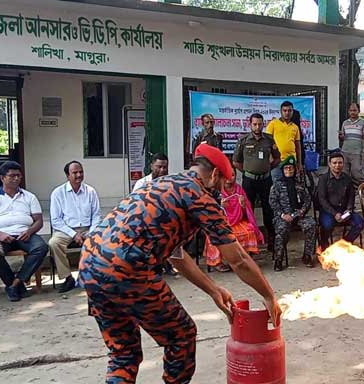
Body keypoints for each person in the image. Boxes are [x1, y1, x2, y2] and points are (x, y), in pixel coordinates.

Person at [79, 144, 281, 384]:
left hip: (91, 263)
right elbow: (238, 259)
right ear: (215, 174)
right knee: (182, 336)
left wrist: (214, 290)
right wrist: (269, 296)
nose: (221, 191)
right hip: (128, 267)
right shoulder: (201, 196)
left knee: (123, 353)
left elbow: (176, 256)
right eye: (222, 184)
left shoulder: (163, 184)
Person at [0, 161, 48, 302]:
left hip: (25, 235)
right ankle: (14, 283)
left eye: (18, 176)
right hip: (0, 236)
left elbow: (38, 221)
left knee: (42, 247)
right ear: (2, 178)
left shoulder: (29, 197)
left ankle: (16, 283)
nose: (16, 178)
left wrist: (30, 231)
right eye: (12, 176)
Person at [49, 161, 101, 293]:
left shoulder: (90, 191)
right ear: (67, 175)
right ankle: (67, 278)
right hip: (65, 230)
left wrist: (91, 232)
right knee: (54, 243)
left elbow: (96, 215)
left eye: (81, 172)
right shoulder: (58, 193)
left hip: (87, 228)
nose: (79, 175)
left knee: (100, 240)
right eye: (75, 173)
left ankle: (91, 276)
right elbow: (55, 220)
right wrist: (73, 234)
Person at [233, 113, 281, 254]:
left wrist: (267, 168)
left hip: (266, 180)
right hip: (249, 181)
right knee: (248, 212)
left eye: (260, 124)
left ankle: (272, 241)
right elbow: (236, 161)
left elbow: (277, 158)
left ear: (263, 124)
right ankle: (250, 244)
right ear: (250, 124)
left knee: (269, 210)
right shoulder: (243, 140)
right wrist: (248, 171)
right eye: (255, 124)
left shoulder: (269, 139)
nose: (257, 126)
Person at [205, 169, 264, 272]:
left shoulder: (239, 190)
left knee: (249, 231)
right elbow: (208, 211)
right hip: (220, 222)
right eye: (227, 175)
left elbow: (247, 211)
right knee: (215, 236)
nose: (229, 178)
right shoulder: (216, 190)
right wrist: (220, 206)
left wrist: (243, 205)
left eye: (232, 175)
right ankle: (218, 263)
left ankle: (244, 259)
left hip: (238, 221)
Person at [269, 156, 317, 270]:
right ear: (282, 170)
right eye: (286, 168)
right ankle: (279, 259)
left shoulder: (300, 184)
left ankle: (307, 255)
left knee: (311, 225)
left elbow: (307, 200)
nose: (289, 171)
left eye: (291, 168)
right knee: (281, 229)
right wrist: (282, 215)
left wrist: (300, 212)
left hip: (299, 215)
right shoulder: (277, 185)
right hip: (283, 216)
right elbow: (272, 202)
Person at [316, 151, 364, 251]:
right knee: (327, 225)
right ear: (329, 164)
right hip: (329, 211)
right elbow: (322, 199)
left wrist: (349, 209)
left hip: (344, 210)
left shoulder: (347, 178)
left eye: (340, 163)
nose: (337, 165)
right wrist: (334, 213)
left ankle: (344, 244)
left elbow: (351, 196)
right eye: (334, 163)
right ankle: (324, 246)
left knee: (360, 223)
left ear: (343, 164)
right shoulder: (323, 179)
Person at [267, 101, 302, 181]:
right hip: (277, 162)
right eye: (285, 110)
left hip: (291, 161)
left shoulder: (295, 127)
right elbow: (267, 142)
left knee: (291, 185)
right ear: (281, 111)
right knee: (276, 185)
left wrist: (299, 163)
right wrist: (270, 157)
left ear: (292, 112)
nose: (287, 113)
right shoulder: (273, 123)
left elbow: (298, 146)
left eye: (290, 110)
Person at [339, 102, 364, 186]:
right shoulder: (345, 123)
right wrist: (340, 136)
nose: (352, 112)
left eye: (354, 110)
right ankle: (348, 193)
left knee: (357, 174)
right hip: (345, 152)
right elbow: (342, 138)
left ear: (358, 111)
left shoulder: (363, 122)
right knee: (344, 174)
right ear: (348, 111)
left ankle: (362, 192)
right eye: (350, 110)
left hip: (357, 153)